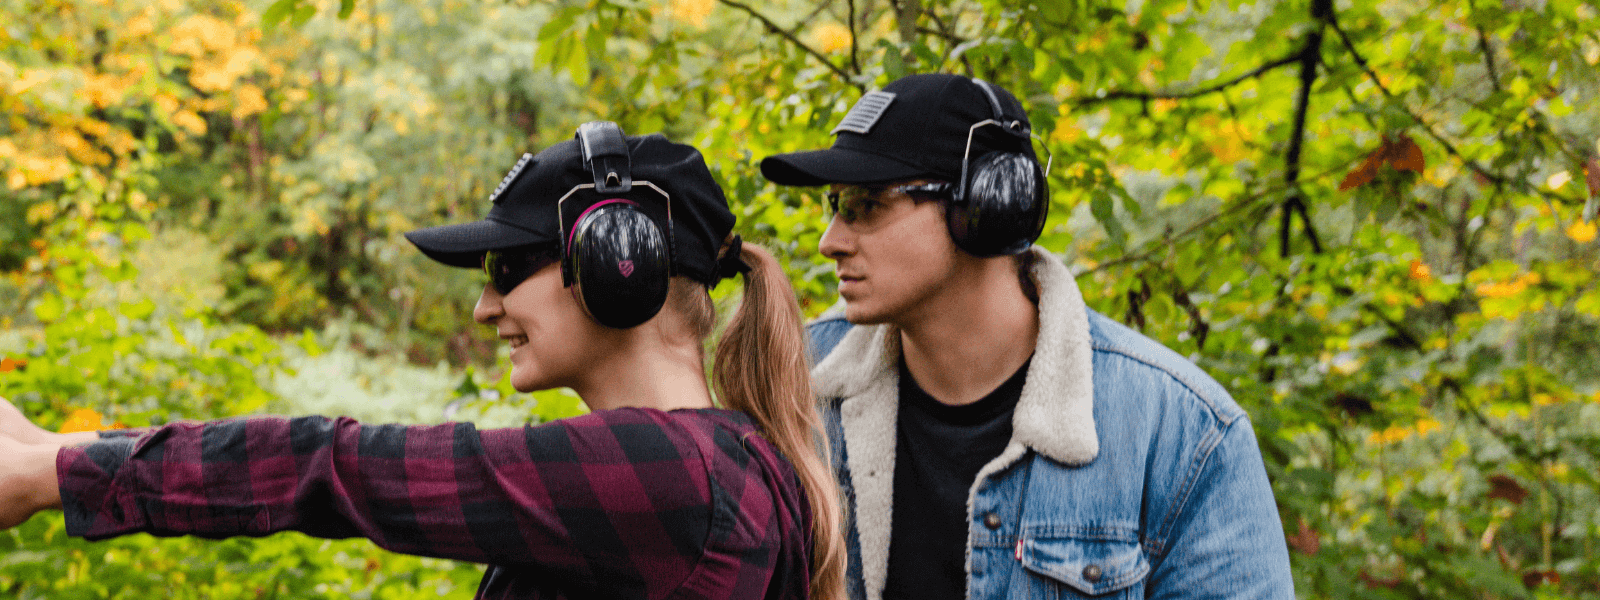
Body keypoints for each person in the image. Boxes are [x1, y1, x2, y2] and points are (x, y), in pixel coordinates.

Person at [0, 122, 845, 600]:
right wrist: (58, 452)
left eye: (509, 269)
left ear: (620, 260)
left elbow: (335, 466)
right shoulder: (712, 462)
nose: (486, 308)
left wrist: (57, 477)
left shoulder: (675, 473)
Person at [758, 73, 1294, 599]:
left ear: (988, 204)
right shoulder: (796, 384)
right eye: (835, 207)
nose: (831, 242)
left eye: (865, 206)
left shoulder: (1182, 431)